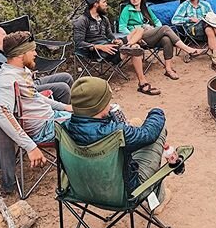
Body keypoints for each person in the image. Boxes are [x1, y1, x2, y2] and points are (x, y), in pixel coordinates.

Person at [63, 76, 172, 210]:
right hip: (123, 194)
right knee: (157, 131)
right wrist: (157, 112)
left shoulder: (64, 129)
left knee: (136, 123)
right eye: (107, 101)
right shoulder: (115, 132)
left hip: (82, 190)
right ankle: (158, 199)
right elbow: (149, 135)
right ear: (100, 106)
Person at [0, 31, 73, 168]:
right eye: (32, 50)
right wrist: (30, 147)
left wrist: (64, 107)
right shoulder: (5, 79)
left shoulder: (22, 71)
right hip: (43, 129)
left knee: (106, 113)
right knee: (97, 123)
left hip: (52, 118)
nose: (36, 54)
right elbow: (3, 115)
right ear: (20, 54)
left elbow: (35, 96)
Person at [0, 25, 74, 104]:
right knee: (62, 88)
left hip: (25, 82)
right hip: (12, 91)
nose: (6, 39)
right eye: (4, 35)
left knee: (66, 77)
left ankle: (62, 116)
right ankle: (59, 125)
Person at [73, 0, 160, 95]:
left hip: (110, 46)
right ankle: (142, 83)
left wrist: (115, 40)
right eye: (104, 2)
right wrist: (98, 46)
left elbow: (110, 36)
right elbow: (78, 43)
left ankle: (127, 46)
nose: (106, 5)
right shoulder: (82, 21)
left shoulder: (104, 19)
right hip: (96, 51)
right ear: (96, 4)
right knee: (135, 48)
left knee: (139, 30)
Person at [118, 0, 207, 80]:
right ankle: (189, 50)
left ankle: (168, 70)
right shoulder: (127, 10)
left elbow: (156, 21)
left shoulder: (145, 9)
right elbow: (122, 27)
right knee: (165, 28)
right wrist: (133, 37)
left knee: (166, 39)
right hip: (137, 38)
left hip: (149, 35)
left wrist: (156, 30)